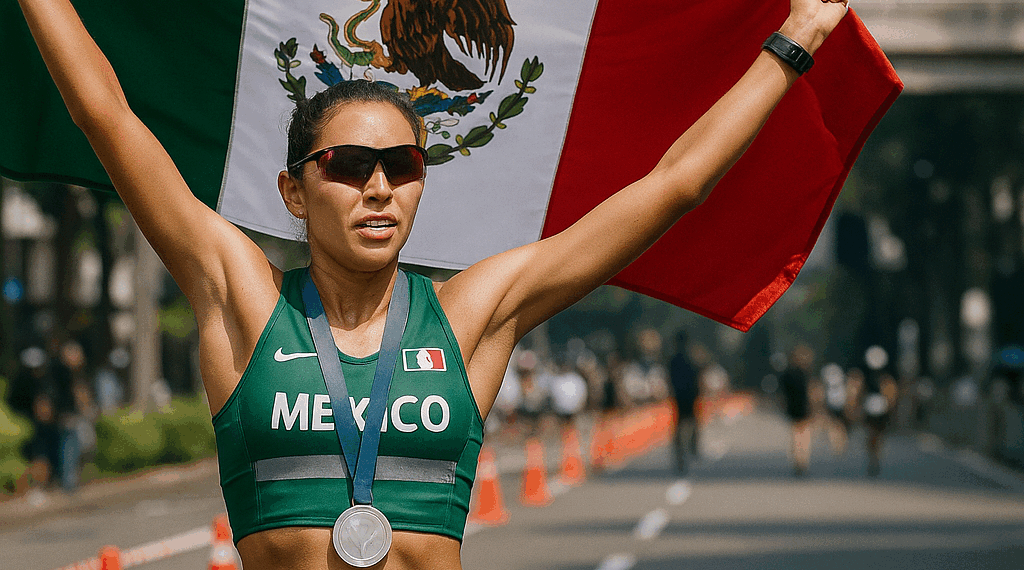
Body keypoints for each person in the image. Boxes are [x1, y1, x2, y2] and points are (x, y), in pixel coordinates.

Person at [16, 0, 850, 566]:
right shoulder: (242, 300)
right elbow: (108, 116)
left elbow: (673, 184)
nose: (379, 188)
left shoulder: (471, 316)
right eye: (347, 166)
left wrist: (796, 40)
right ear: (294, 192)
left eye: (403, 166)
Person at [778, 344, 815, 476]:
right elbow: (811, 391)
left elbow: (783, 394)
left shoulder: (786, 373)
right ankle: (803, 459)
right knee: (805, 434)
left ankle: (797, 460)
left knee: (795, 434)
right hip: (804, 406)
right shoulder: (806, 373)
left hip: (793, 407)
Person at [668, 330, 700, 474]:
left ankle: (681, 454)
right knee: (692, 423)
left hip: (679, 397)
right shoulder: (690, 359)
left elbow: (669, 379)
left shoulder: (674, 360)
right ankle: (692, 449)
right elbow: (696, 378)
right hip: (689, 397)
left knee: (680, 425)